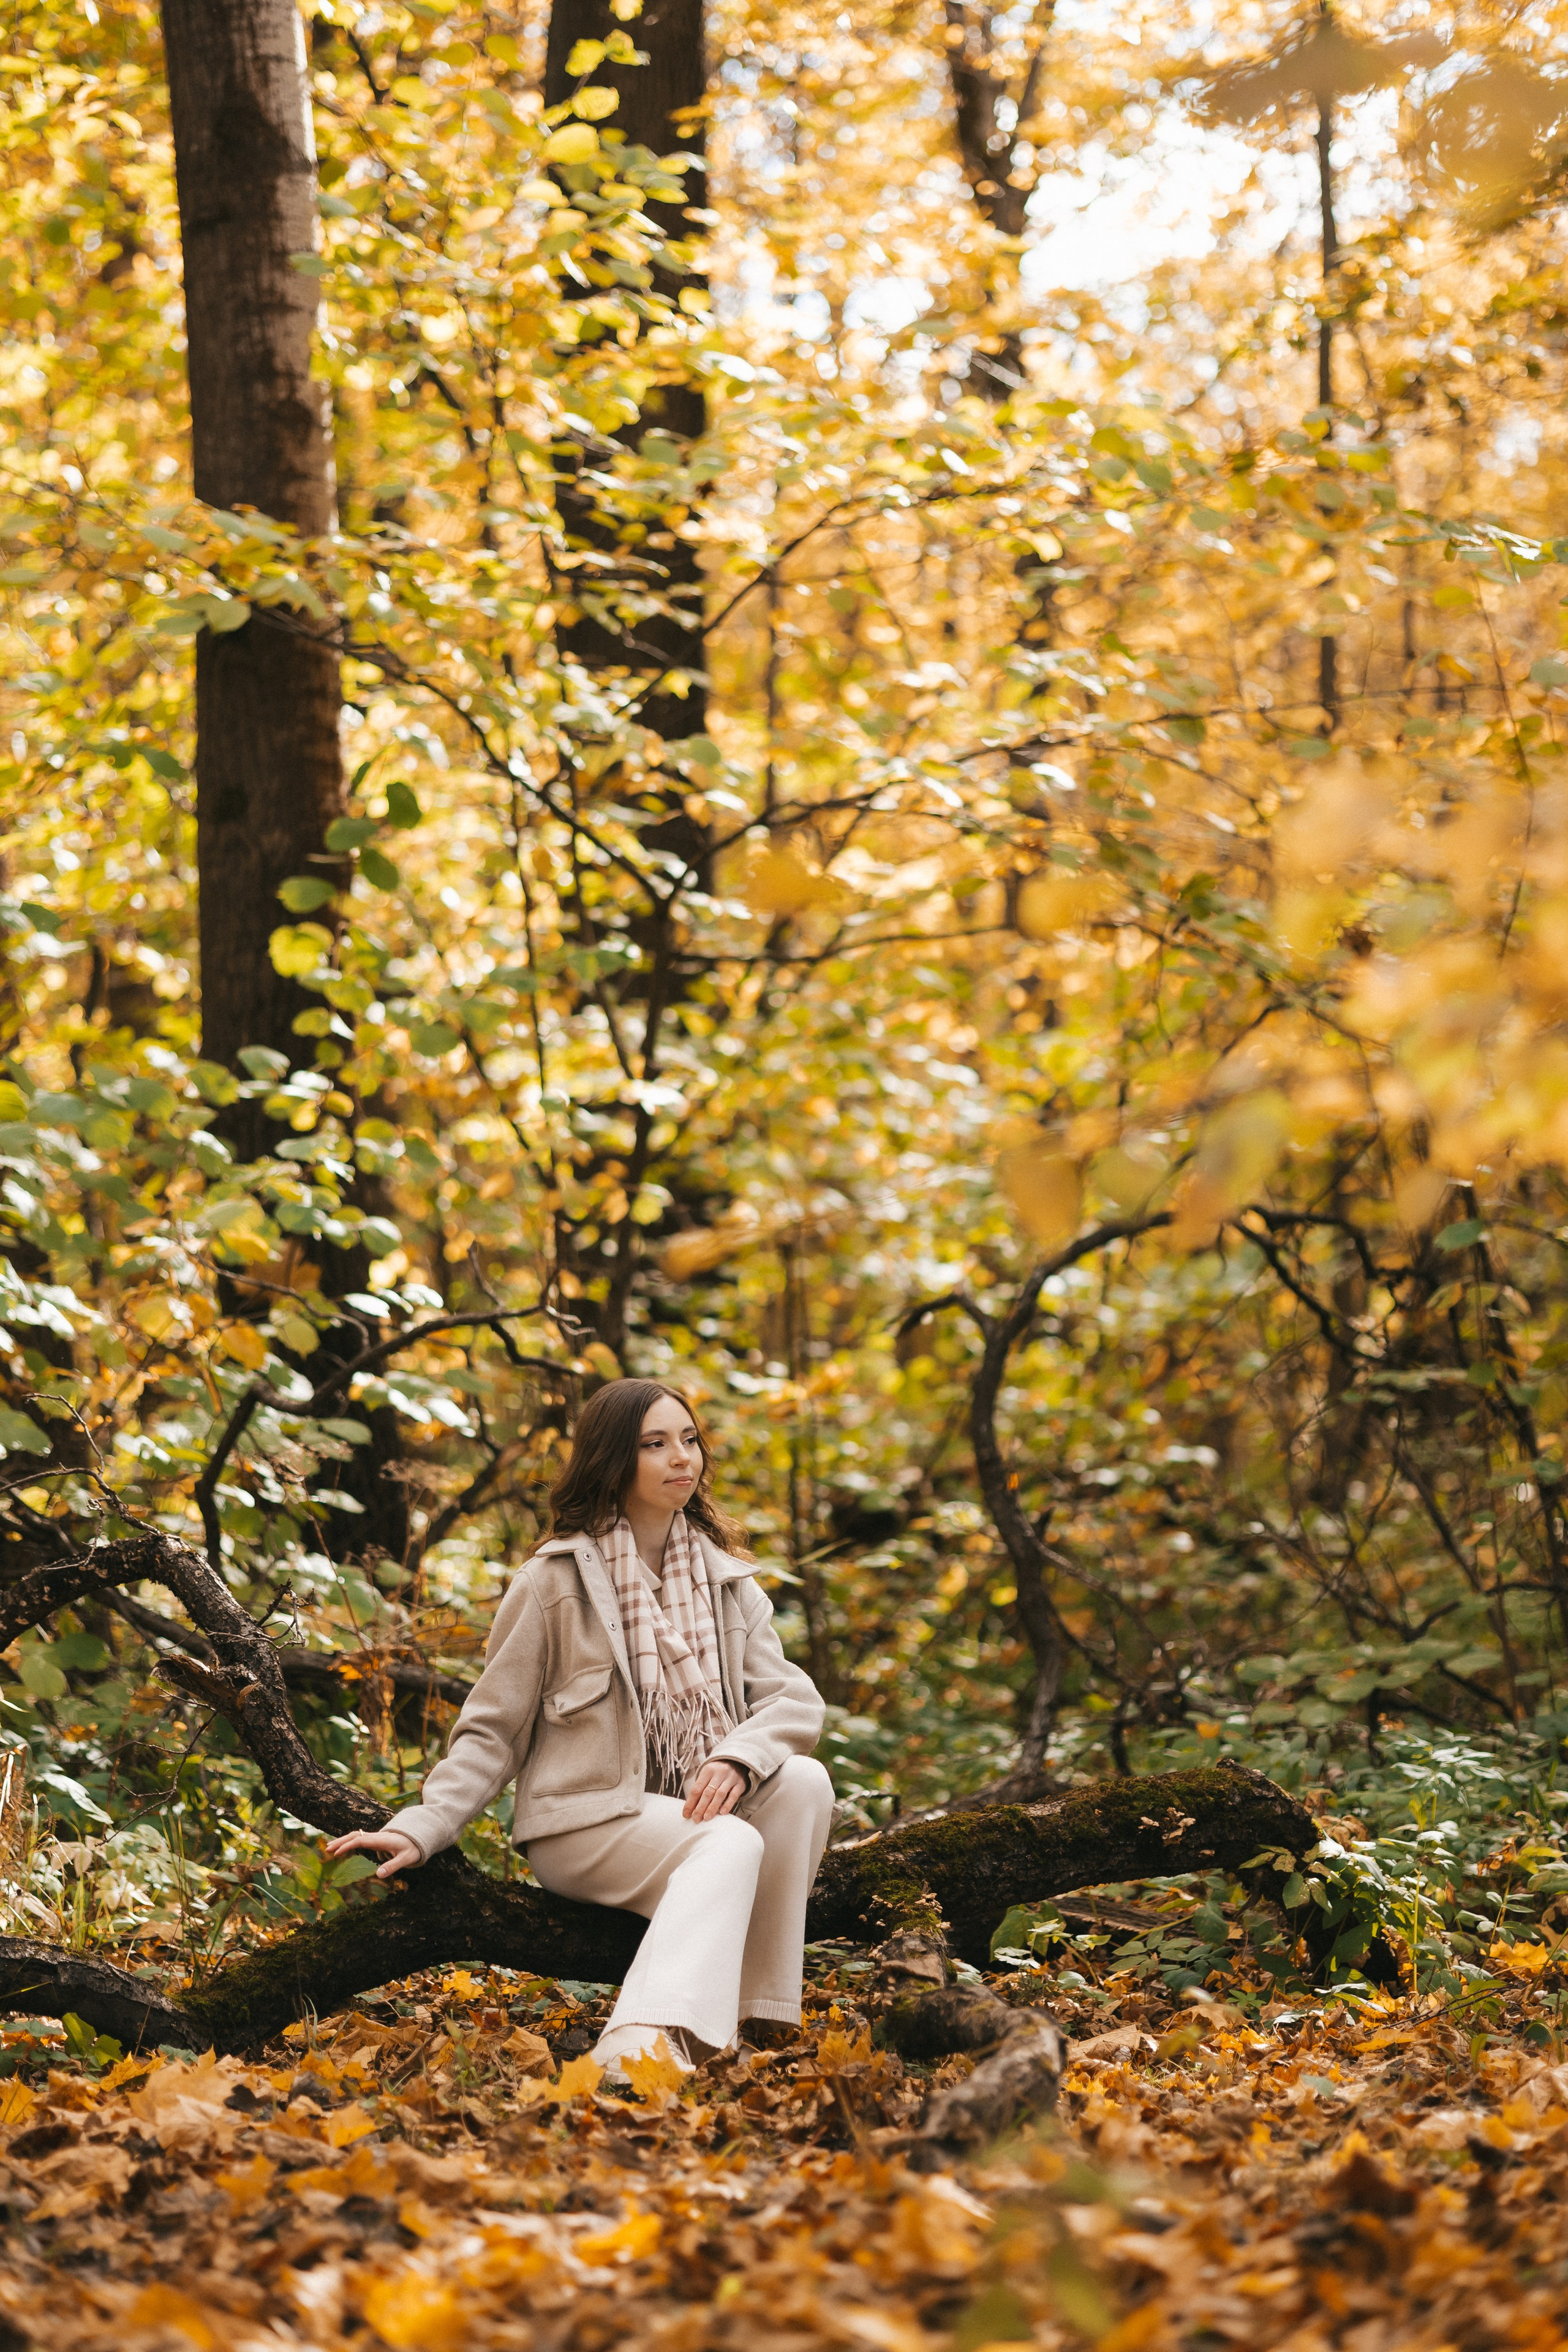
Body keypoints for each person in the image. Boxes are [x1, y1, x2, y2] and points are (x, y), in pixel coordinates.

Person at [325, 1378, 833, 2086]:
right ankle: (638, 2050)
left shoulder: (727, 1583)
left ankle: (755, 2023)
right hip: (585, 1819)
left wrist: (740, 1757)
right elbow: (493, 1729)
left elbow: (793, 1702)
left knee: (803, 1781)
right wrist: (424, 1823)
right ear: (613, 1460)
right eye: (655, 1444)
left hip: (682, 1814)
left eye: (689, 1440)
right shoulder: (552, 1582)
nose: (681, 1458)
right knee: (730, 1839)